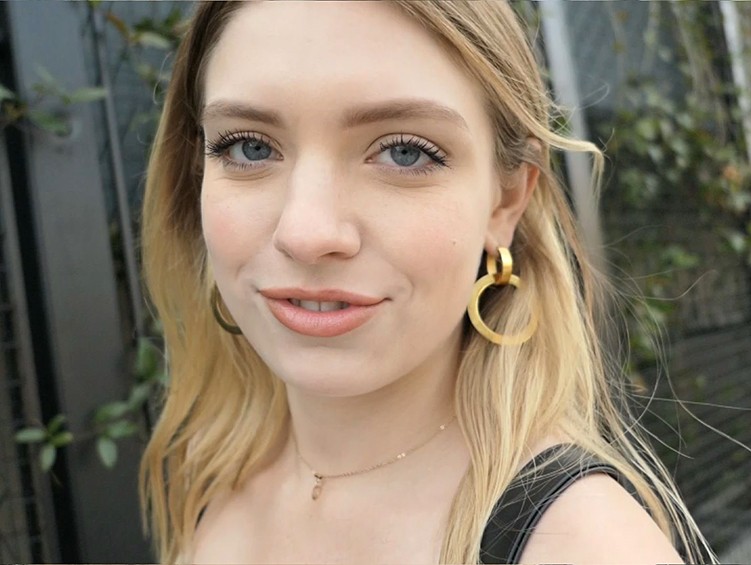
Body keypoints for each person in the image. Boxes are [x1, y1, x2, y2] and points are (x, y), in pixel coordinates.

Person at [139, 2, 714, 564]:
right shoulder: (210, 479)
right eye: (250, 147)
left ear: (506, 201)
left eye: (404, 153)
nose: (306, 233)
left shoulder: (581, 546)